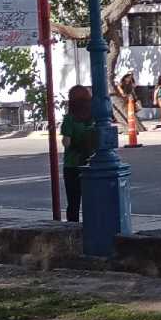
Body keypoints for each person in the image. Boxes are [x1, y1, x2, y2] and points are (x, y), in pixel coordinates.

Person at [61, 85, 95, 222]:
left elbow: (66, 142)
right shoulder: (93, 117)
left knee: (73, 203)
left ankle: (72, 229)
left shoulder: (69, 119)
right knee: (90, 200)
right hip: (90, 162)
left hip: (72, 164)